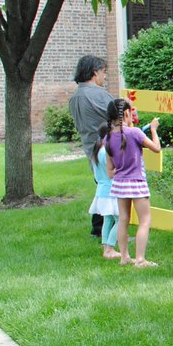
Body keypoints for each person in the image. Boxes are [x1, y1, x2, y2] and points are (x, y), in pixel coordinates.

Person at [104, 97, 162, 267]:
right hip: (137, 182)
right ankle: (140, 260)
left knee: (123, 219)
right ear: (127, 113)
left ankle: (124, 257)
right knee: (145, 220)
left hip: (119, 184)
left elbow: (110, 171)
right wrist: (153, 130)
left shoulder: (107, 138)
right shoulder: (135, 132)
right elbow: (156, 149)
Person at [68, 55, 111, 238]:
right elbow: (121, 113)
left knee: (101, 187)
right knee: (111, 190)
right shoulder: (99, 95)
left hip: (89, 148)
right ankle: (110, 231)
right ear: (95, 72)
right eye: (103, 72)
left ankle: (97, 229)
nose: (105, 77)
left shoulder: (76, 96)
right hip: (107, 149)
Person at [89, 122, 121, 260]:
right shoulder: (105, 153)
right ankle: (110, 248)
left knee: (108, 220)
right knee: (120, 219)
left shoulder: (97, 151)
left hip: (102, 191)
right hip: (110, 191)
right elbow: (111, 172)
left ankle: (106, 250)